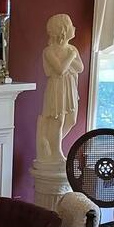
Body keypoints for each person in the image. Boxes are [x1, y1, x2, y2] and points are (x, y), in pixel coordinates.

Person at [36, 13, 83, 162]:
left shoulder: (72, 49)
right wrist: (70, 57)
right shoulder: (49, 51)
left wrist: (71, 58)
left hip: (69, 86)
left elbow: (80, 68)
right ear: (63, 30)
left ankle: (50, 142)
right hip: (57, 88)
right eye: (71, 25)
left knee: (72, 119)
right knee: (58, 120)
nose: (74, 28)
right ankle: (56, 152)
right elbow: (60, 70)